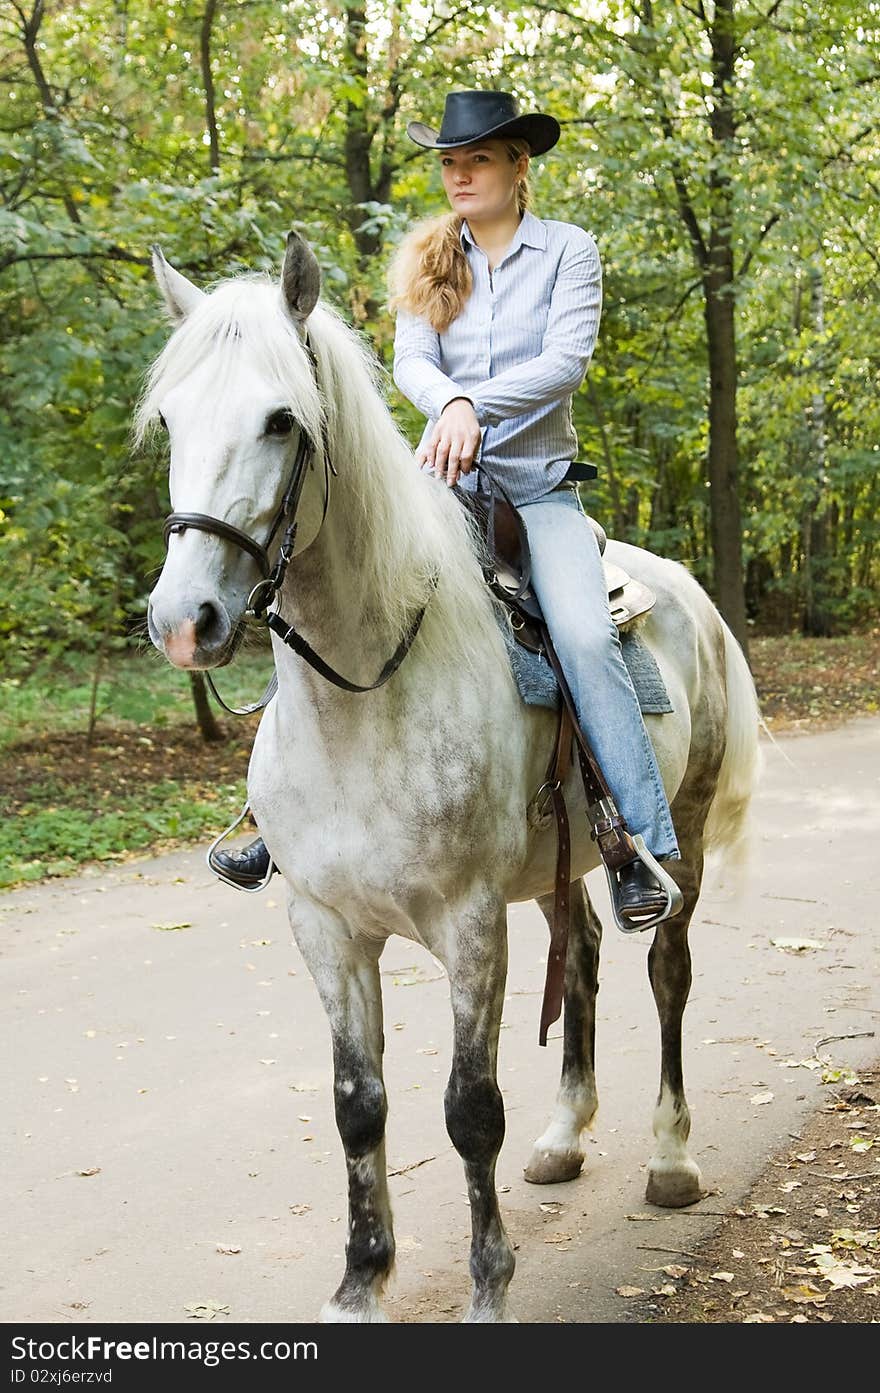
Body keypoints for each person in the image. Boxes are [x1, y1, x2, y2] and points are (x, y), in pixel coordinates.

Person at [212, 89, 679, 921]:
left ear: (517, 166)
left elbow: (565, 362)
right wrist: (448, 405)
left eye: (479, 160)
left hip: (538, 492)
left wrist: (475, 405)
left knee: (579, 632)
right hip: (442, 488)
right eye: (450, 162)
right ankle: (270, 814)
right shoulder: (429, 258)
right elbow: (412, 362)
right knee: (330, 600)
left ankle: (635, 841)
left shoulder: (569, 252)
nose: (460, 175)